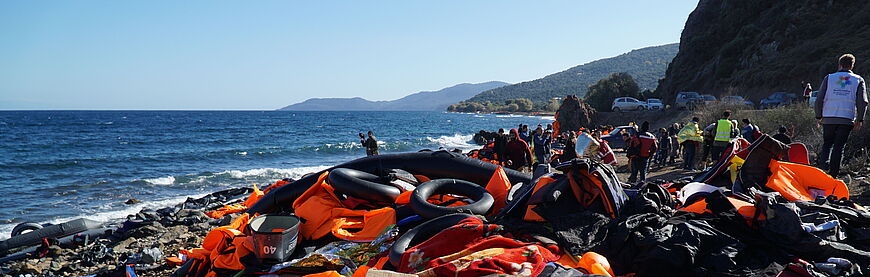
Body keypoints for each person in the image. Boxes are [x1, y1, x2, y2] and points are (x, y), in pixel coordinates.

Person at [815, 54, 867, 177]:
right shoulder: (858, 80)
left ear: (839, 64)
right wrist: (860, 119)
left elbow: (819, 99)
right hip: (846, 118)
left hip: (828, 118)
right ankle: (833, 174)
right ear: (852, 65)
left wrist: (818, 116)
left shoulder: (829, 78)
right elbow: (863, 102)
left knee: (827, 143)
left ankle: (823, 170)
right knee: (839, 146)